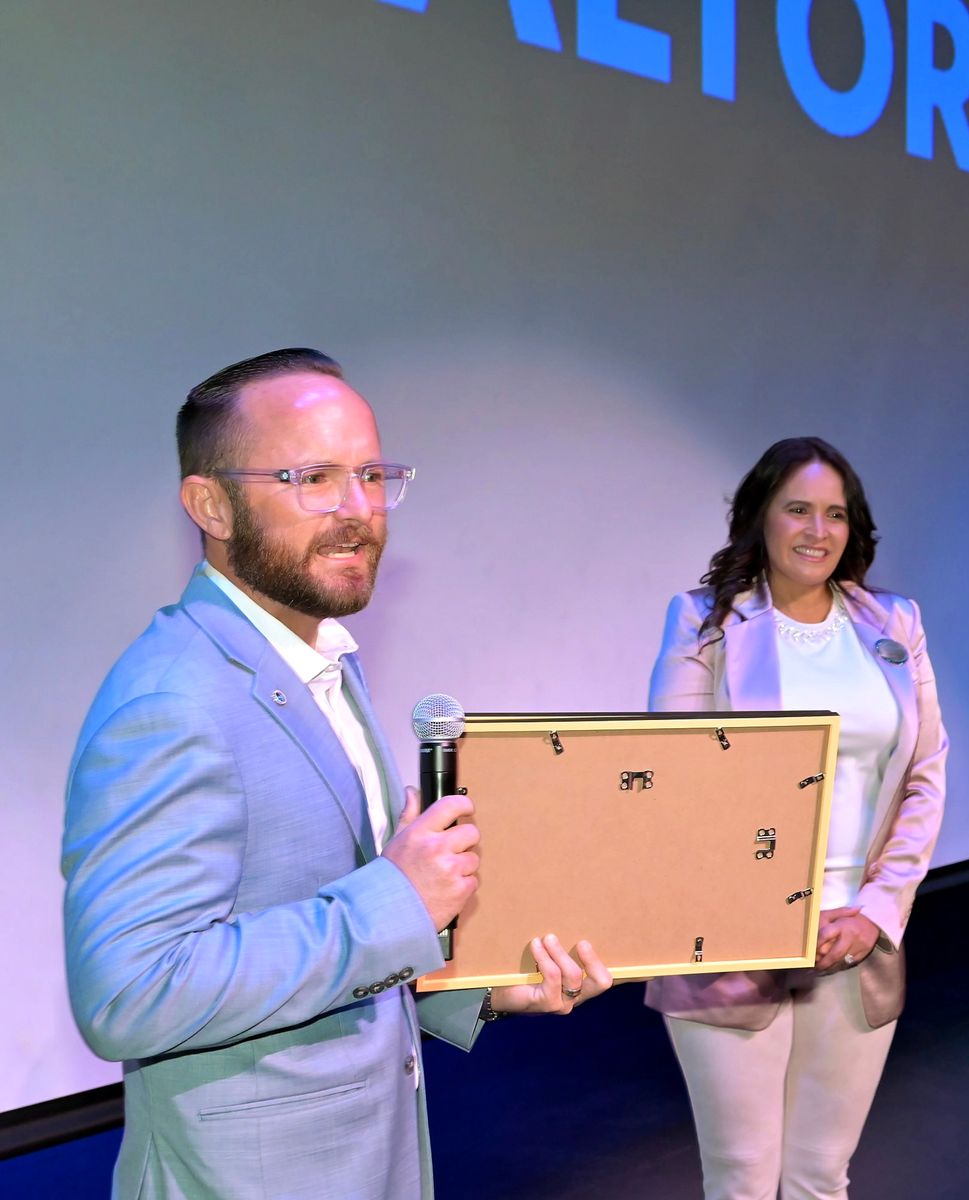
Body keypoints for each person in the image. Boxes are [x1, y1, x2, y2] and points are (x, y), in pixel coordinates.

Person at [62, 348, 611, 1200]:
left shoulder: (320, 659)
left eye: (372, 476)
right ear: (210, 504)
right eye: (313, 478)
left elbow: (323, 917)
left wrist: (478, 987)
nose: (359, 510)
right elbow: (129, 993)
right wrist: (400, 898)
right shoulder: (172, 700)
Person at [647, 436, 948, 1200]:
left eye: (835, 514)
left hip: (858, 933)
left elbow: (924, 776)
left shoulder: (895, 623)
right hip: (731, 935)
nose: (818, 530)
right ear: (761, 516)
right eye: (798, 510)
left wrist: (876, 910)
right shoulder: (704, 621)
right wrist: (774, 911)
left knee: (820, 1177)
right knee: (743, 1181)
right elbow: (678, 781)